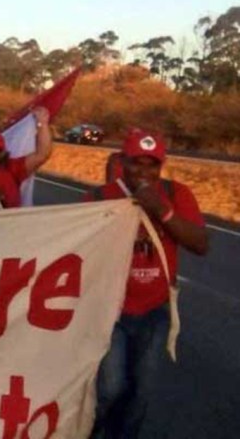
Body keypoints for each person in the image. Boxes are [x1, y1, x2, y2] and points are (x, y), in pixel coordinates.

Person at [86, 130, 208, 439]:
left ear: (161, 165)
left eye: (151, 164)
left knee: (140, 393)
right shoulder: (99, 197)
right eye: (136, 163)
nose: (143, 172)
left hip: (155, 311)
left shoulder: (176, 194)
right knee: (111, 388)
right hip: (111, 310)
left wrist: (162, 210)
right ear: (122, 161)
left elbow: (200, 244)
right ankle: (92, 428)